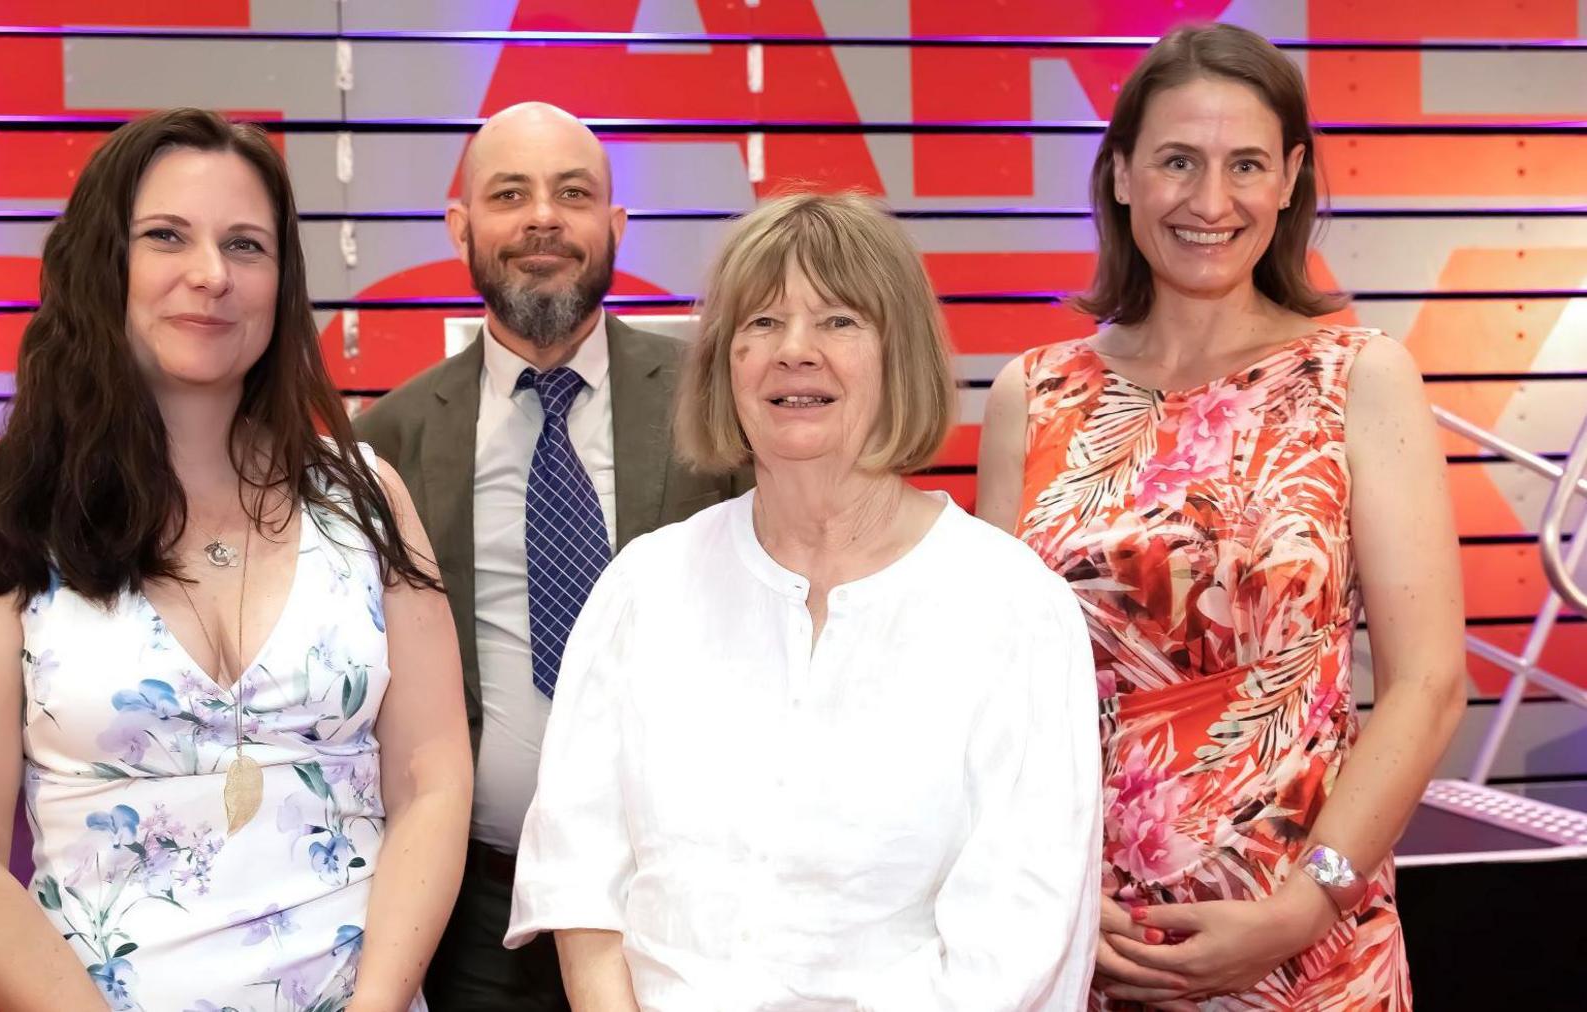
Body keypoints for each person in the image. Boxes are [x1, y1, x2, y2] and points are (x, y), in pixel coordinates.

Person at [0, 108, 473, 1011]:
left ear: (282, 283)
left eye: (246, 246)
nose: (210, 275)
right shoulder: (9, 518)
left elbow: (432, 779)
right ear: (104, 264)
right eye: (167, 236)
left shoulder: (366, 497)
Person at [507, 192, 1102, 1010]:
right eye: (760, 323)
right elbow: (580, 875)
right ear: (723, 364)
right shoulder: (644, 589)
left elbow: (1015, 940)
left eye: (839, 321)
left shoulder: (1012, 608)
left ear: (903, 356)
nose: (795, 352)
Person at [976, 23, 1467, 1011]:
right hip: (1083, 947)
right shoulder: (1030, 394)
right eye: (1176, 162)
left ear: (1291, 180)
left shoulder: (1359, 376)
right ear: (1119, 175)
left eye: (1245, 163)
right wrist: (1058, 899)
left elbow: (1429, 682)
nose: (1210, 201)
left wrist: (1308, 905)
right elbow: (997, 699)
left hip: (1313, 955)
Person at [352, 102, 745, 1010]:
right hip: (469, 913)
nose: (542, 218)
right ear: (463, 230)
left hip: (683, 898)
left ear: (613, 226)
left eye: (573, 194)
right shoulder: (386, 442)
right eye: (509, 194)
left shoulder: (718, 411)